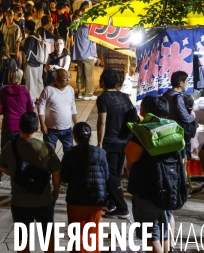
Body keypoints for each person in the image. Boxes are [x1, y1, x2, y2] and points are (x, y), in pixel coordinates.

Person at [0, 111, 61, 253]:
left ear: (20, 127)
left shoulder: (9, 147)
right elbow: (56, 173)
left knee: (22, 237)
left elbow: (2, 168)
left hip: (19, 201)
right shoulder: (45, 147)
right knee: (47, 234)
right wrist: (55, 192)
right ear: (37, 128)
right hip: (43, 200)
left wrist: (16, 174)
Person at [125, 95, 176, 253]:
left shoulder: (143, 133)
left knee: (151, 237)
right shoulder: (174, 131)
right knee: (164, 234)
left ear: (145, 111)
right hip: (170, 190)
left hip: (147, 192)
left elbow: (131, 159)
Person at [61, 122, 109, 253]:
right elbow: (106, 175)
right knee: (93, 232)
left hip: (76, 200)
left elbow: (64, 178)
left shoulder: (70, 154)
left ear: (74, 137)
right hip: (96, 199)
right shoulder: (101, 153)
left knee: (77, 234)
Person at [96, 68, 133, 218]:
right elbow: (132, 116)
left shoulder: (103, 98)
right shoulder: (125, 97)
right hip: (124, 140)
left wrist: (99, 142)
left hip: (110, 141)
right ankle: (110, 203)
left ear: (103, 82)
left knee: (111, 175)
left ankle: (122, 208)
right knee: (116, 173)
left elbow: (102, 122)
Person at [0, 69, 34, 185]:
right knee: (22, 152)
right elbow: (30, 109)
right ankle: (23, 174)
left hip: (8, 126)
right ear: (20, 78)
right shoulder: (25, 91)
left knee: (5, 152)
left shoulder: (3, 91)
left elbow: (0, 110)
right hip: (22, 127)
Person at [162, 71, 200, 193]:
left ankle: (177, 186)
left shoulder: (166, 95)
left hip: (170, 132)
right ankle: (183, 188)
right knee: (182, 160)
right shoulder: (177, 97)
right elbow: (185, 117)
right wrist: (193, 115)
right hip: (180, 134)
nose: (187, 84)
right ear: (180, 83)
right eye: (187, 81)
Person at [38, 69, 78, 154]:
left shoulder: (70, 90)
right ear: (57, 78)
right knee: (49, 153)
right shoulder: (48, 90)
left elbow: (73, 107)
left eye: (68, 77)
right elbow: (41, 106)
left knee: (69, 153)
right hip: (51, 130)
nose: (68, 80)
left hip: (67, 129)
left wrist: (76, 124)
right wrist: (42, 123)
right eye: (65, 78)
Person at [0, 43, 18, 134]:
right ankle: (6, 127)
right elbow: (15, 74)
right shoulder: (11, 61)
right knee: (8, 109)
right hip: (8, 88)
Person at [71, 22, 97, 100]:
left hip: (79, 55)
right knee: (88, 75)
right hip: (88, 55)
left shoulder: (78, 28)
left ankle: (80, 92)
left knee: (80, 74)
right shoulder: (89, 30)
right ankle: (88, 94)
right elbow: (92, 43)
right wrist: (94, 55)